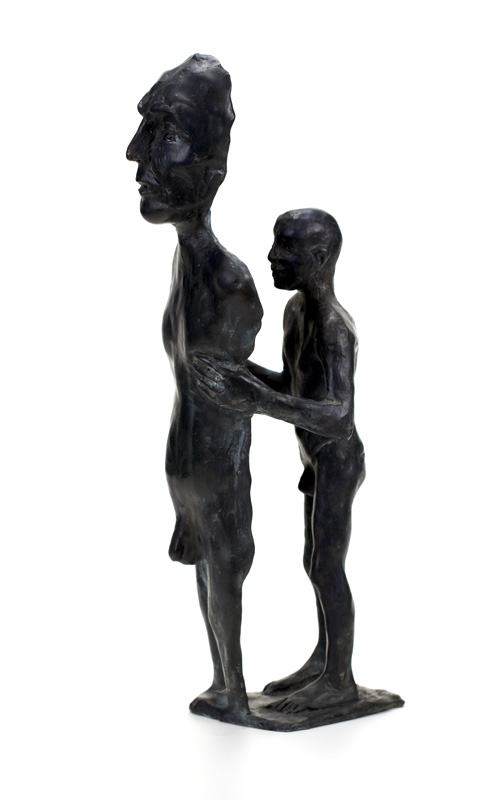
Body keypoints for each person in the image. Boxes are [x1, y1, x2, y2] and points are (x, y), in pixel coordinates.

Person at [127, 55, 264, 726]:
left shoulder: (228, 280)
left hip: (216, 466)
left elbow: (234, 387)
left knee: (226, 567)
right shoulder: (186, 262)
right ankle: (223, 683)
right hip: (188, 466)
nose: (136, 154)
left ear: (211, 163)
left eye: (164, 133)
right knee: (208, 569)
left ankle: (234, 690)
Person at [194, 208, 366, 713]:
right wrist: (238, 373)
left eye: (285, 248)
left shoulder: (334, 327)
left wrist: (255, 398)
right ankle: (324, 660)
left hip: (337, 460)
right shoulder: (296, 313)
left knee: (326, 565)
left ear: (319, 257)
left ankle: (340, 681)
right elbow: (294, 388)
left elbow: (337, 416)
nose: (271, 256)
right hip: (315, 461)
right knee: (315, 562)